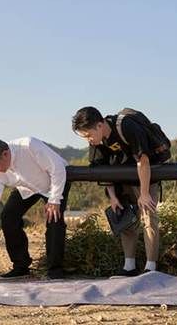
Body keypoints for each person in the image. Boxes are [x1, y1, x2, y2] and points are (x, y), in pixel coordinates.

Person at [72, 106, 168, 277]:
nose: (88, 140)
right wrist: (113, 197)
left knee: (148, 217)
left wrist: (145, 194)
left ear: (100, 125)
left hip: (145, 176)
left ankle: (150, 267)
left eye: (88, 135)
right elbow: (102, 168)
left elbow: (143, 160)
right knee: (125, 219)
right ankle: (129, 266)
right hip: (122, 180)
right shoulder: (96, 141)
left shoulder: (126, 126)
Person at [0, 136, 71, 280]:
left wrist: (55, 199)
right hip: (26, 187)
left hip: (54, 182)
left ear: (5, 153)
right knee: (8, 216)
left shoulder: (29, 145)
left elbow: (57, 168)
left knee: (54, 220)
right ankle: (21, 266)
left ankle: (55, 270)